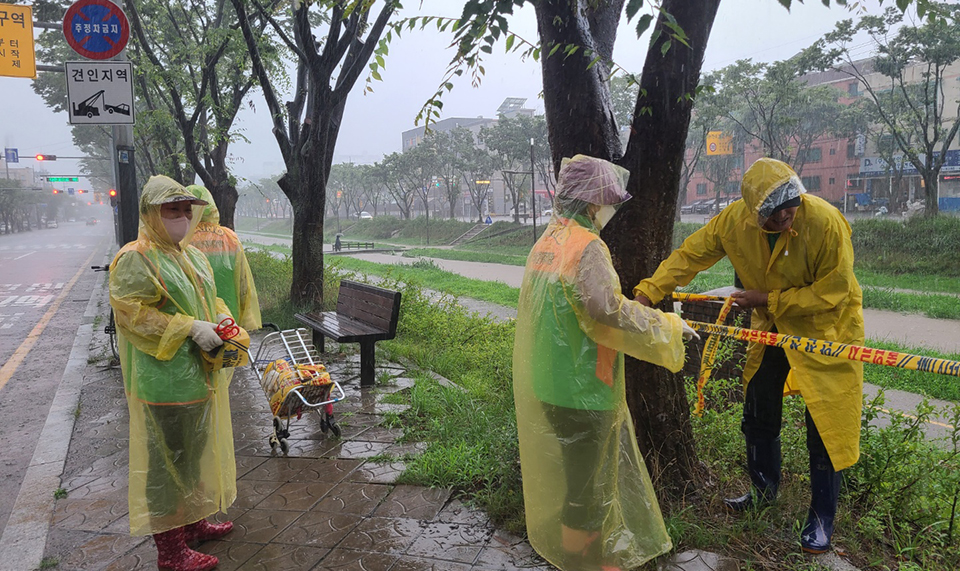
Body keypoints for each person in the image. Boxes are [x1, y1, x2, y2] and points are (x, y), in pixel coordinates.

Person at [633, 157, 864, 554]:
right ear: (756, 214)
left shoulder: (825, 222)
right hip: (772, 329)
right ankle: (762, 490)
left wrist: (766, 298)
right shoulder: (732, 223)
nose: (786, 218)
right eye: (775, 216)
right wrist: (649, 292)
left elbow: (836, 290)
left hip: (826, 332)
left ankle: (822, 516)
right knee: (758, 404)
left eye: (791, 208)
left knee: (827, 422)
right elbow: (689, 256)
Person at [513, 155, 699, 571]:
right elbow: (606, 309)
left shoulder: (547, 243)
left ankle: (585, 557)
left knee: (579, 480)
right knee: (587, 488)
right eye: (606, 199)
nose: (610, 208)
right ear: (591, 201)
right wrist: (666, 325)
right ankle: (585, 562)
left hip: (550, 382)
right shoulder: (587, 246)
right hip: (583, 389)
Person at [110, 176, 240, 571]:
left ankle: (194, 522)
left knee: (194, 454)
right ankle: (171, 551)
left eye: (187, 209)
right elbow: (130, 312)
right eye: (173, 210)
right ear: (151, 213)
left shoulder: (191, 255)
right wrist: (189, 328)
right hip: (163, 381)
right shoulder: (137, 257)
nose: (182, 217)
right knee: (166, 466)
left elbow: (209, 296)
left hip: (199, 376)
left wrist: (220, 316)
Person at [186, 185, 262, 332]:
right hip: (229, 315)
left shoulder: (181, 237)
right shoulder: (229, 237)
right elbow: (243, 282)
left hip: (193, 318)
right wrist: (248, 317)